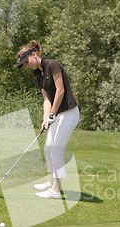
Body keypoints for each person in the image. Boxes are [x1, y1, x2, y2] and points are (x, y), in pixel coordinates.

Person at [17, 40, 79, 199]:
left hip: (69, 112)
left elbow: (60, 91)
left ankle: (56, 191)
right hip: (57, 113)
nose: (26, 65)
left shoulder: (53, 65)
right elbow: (47, 100)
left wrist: (52, 115)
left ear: (33, 54)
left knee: (56, 149)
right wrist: (46, 119)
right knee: (48, 147)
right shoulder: (38, 74)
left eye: (26, 62)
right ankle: (51, 182)